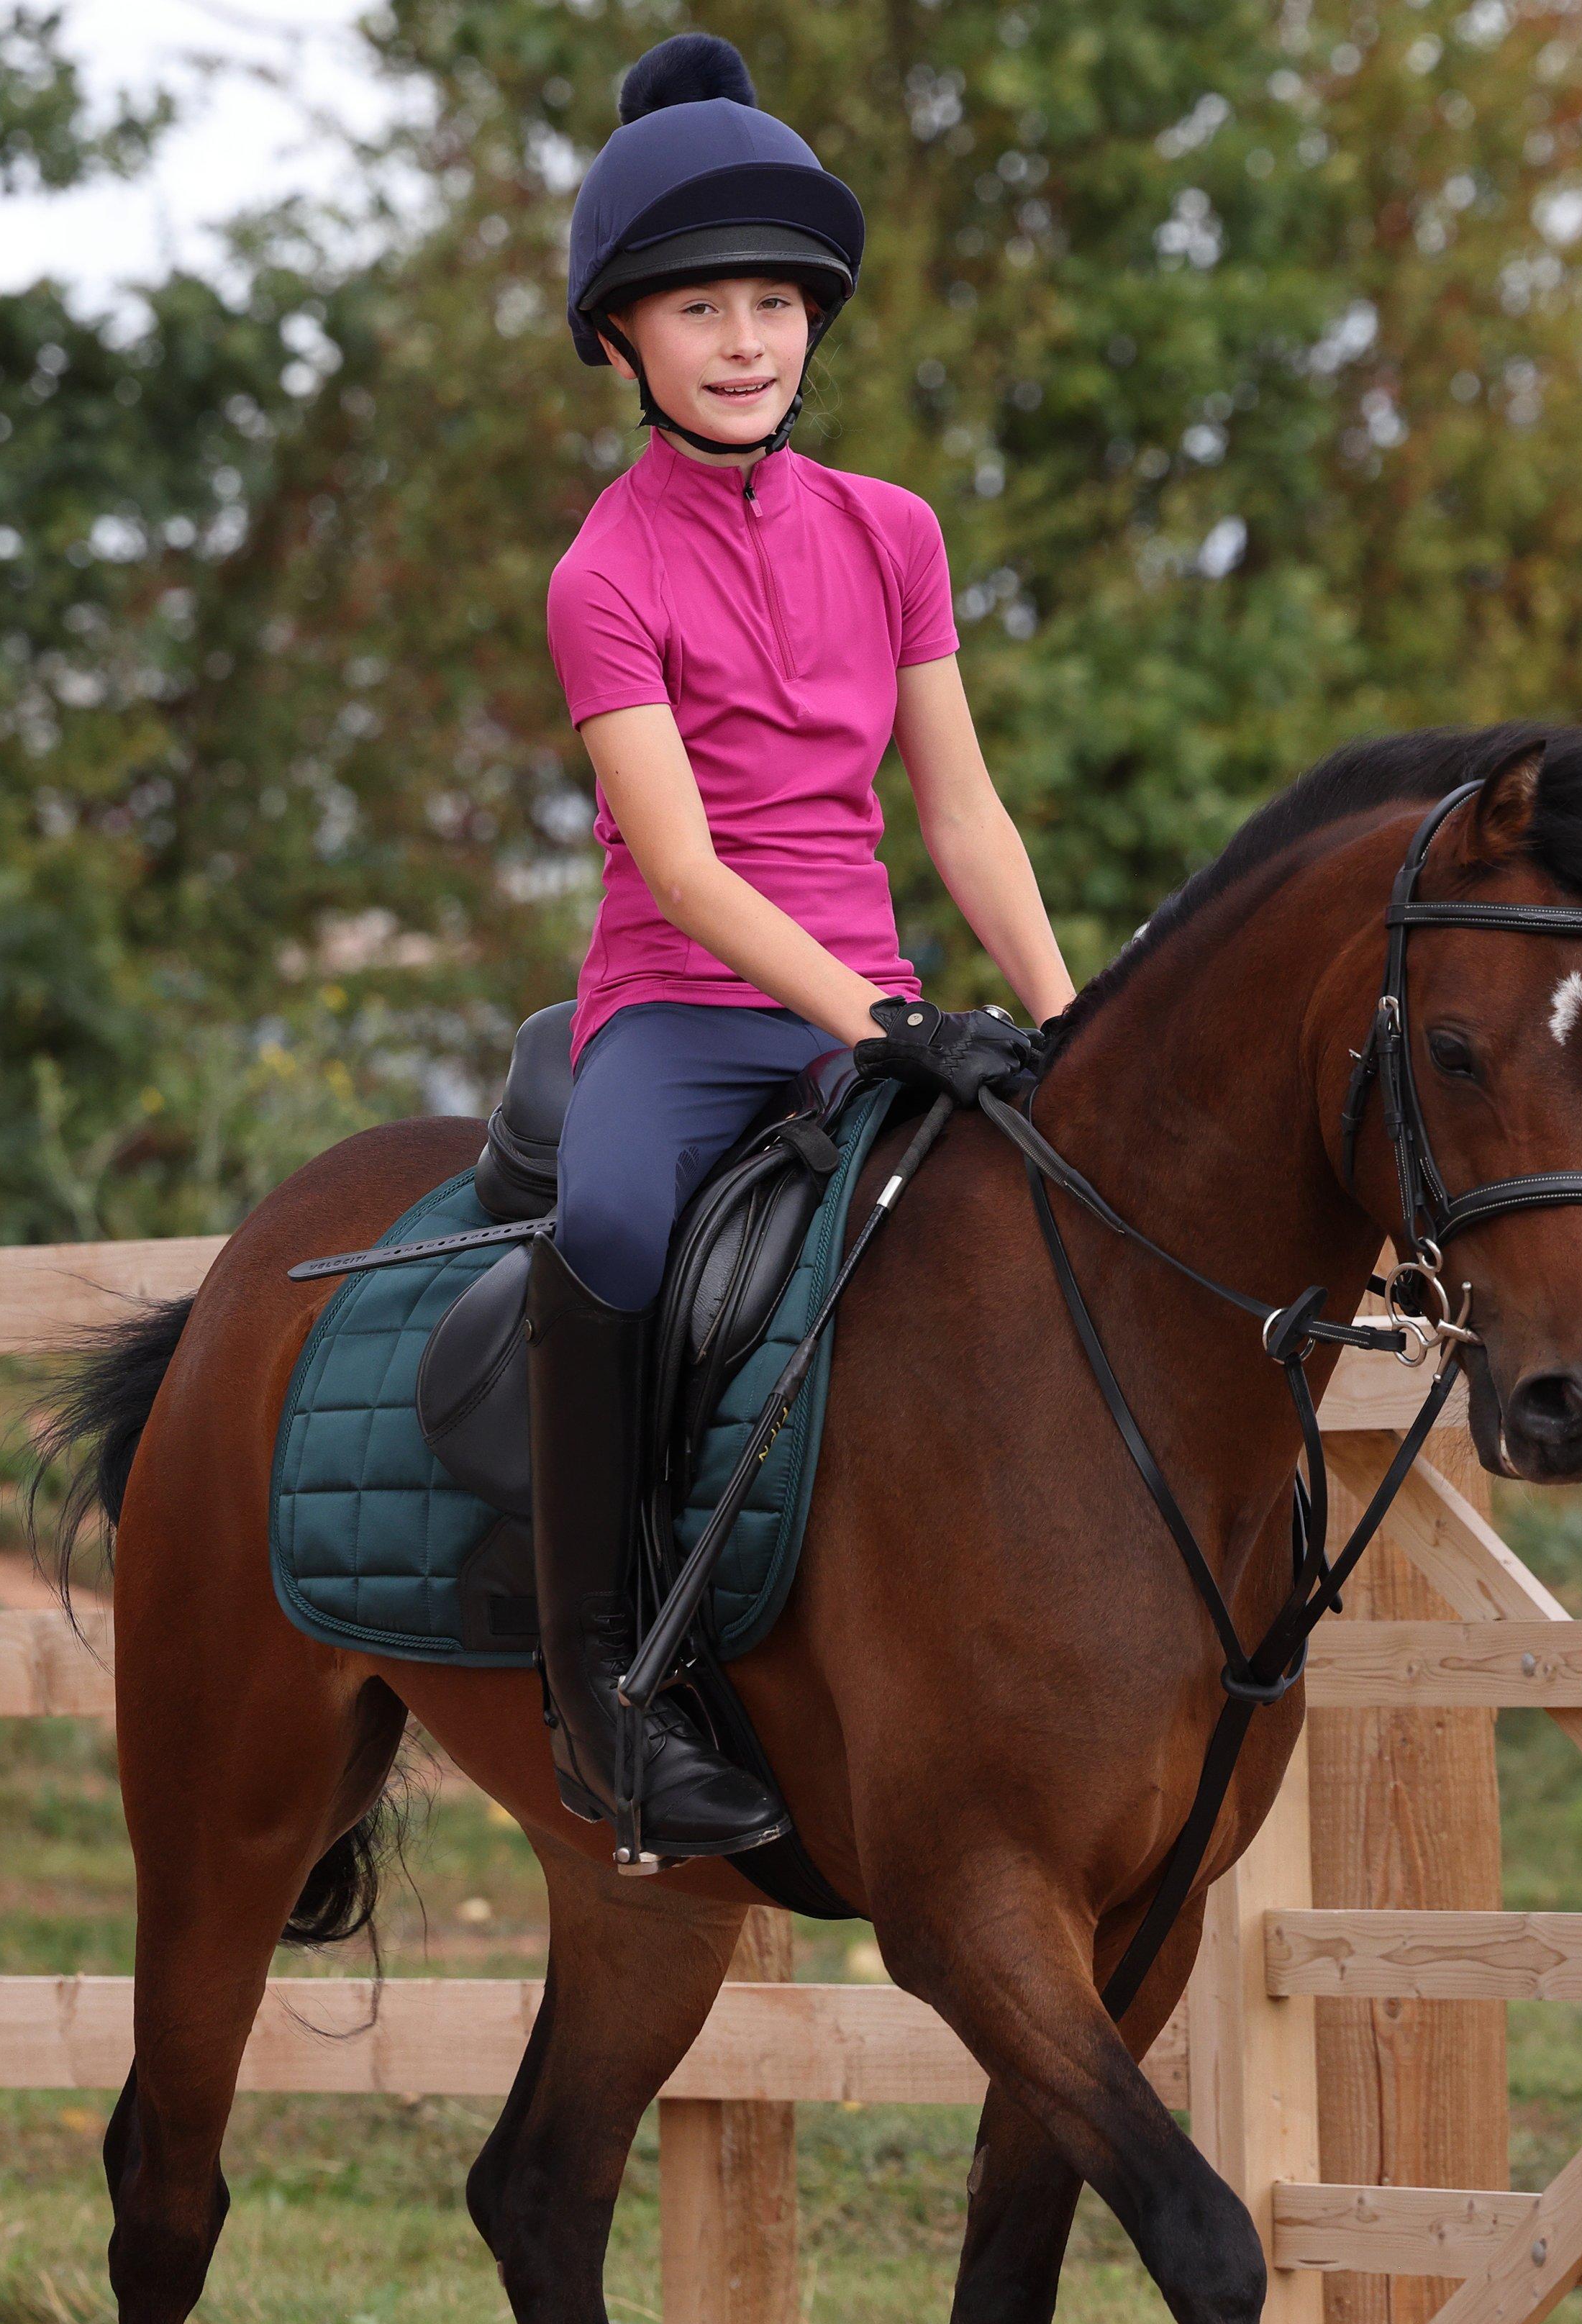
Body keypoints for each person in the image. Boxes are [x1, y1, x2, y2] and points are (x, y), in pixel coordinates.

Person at [535, 31, 1074, 1860]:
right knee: (608, 1227)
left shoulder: (893, 530)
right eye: (700, 308)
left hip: (877, 1006)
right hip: (685, 1016)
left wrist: (1063, 1018)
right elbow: (676, 867)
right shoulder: (601, 574)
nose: (747, 339)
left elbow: (959, 811)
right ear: (621, 339)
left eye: (775, 300)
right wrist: (879, 1016)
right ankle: (601, 1689)